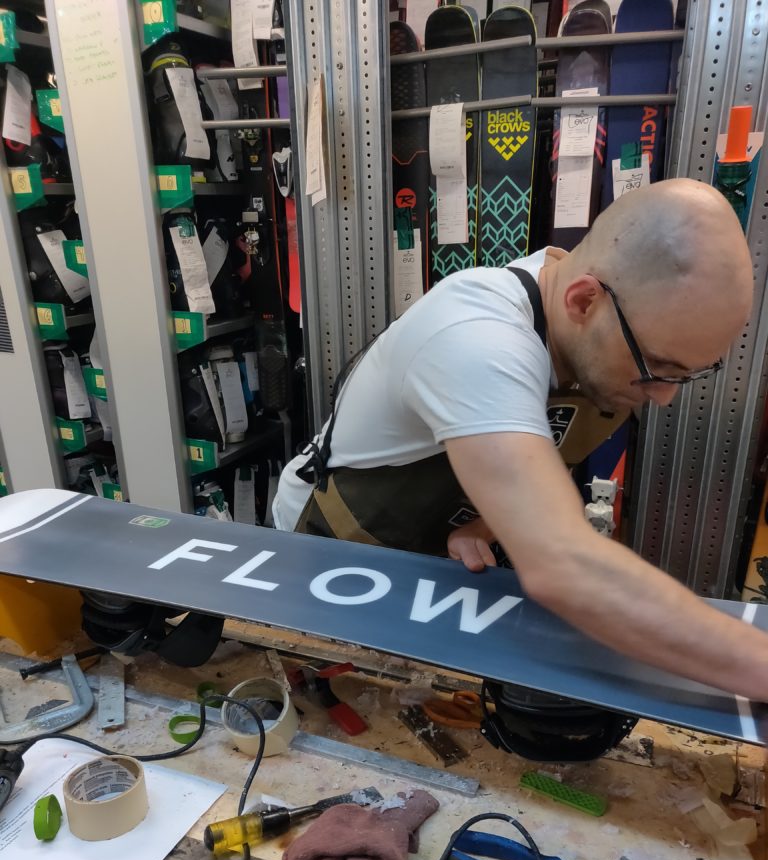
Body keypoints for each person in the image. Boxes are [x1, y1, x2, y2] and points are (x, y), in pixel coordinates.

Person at [273, 179, 768, 717]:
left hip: (428, 564)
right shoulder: (477, 338)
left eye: (688, 375)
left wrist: (490, 519)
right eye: (659, 370)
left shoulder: (597, 325)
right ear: (584, 301)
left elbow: (538, 455)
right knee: (335, 712)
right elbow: (565, 567)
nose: (666, 397)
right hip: (330, 553)